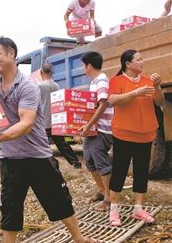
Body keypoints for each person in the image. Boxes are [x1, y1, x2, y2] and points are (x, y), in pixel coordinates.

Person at [0, 37, 104, 243]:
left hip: (37, 155)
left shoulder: (28, 86)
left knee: (59, 200)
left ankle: (79, 239)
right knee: (10, 208)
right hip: (9, 158)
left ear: (11, 54)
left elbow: (26, 124)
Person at [107, 49, 164, 226]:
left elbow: (160, 102)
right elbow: (113, 100)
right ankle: (114, 209)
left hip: (146, 134)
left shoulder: (148, 81)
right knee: (119, 171)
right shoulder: (117, 81)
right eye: (138, 59)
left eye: (142, 59)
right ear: (128, 64)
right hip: (123, 134)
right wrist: (135, 93)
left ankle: (138, 209)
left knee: (141, 172)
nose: (142, 62)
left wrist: (158, 86)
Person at [79, 52, 114, 211]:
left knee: (101, 163)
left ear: (89, 66)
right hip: (93, 128)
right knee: (89, 160)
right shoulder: (94, 82)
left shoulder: (101, 81)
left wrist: (88, 125)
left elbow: (103, 105)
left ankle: (109, 198)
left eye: (83, 65)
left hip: (102, 129)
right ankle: (101, 190)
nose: (82, 68)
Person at [37, 63, 82, 169]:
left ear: (41, 72)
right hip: (55, 120)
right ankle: (75, 162)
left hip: (44, 120)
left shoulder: (39, 86)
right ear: (52, 72)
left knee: (44, 146)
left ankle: (49, 165)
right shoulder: (56, 85)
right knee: (62, 144)